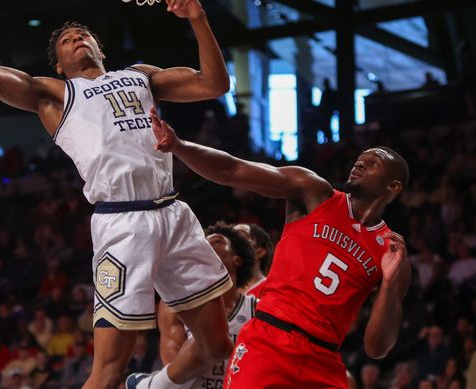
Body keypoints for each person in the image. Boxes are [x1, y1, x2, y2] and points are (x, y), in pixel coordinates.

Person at [0, 0, 233, 389]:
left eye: (83, 33)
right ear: (58, 62)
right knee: (109, 369)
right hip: (123, 223)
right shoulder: (55, 94)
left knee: (218, 345)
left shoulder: (140, 76)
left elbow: (215, 83)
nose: (77, 37)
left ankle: (151, 386)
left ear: (100, 47)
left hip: (174, 212)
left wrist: (198, 19)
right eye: (66, 39)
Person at [148, 109, 411, 388]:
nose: (359, 164)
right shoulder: (313, 192)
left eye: (372, 164)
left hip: (323, 359)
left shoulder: (392, 253)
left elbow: (377, 348)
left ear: (393, 186)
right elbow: (233, 170)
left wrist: (390, 284)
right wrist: (179, 146)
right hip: (268, 340)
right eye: (359, 160)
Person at [147, 222, 257, 389]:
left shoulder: (258, 309)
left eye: (218, 241)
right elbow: (175, 373)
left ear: (237, 260)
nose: (207, 245)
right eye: (204, 242)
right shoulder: (174, 304)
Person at [231, 223, 273, 297]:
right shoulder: (222, 290)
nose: (233, 244)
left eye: (241, 238)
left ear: (260, 252)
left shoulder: (271, 289)